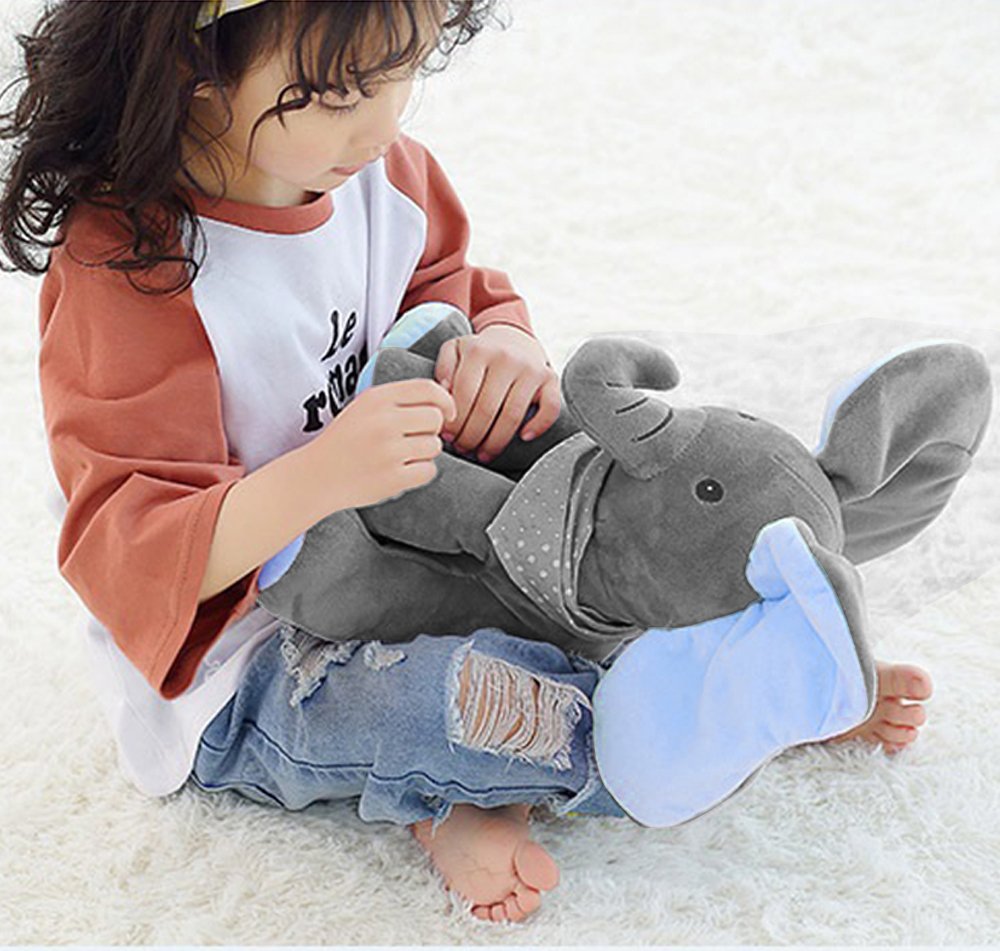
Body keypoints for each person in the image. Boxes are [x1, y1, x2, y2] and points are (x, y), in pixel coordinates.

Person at [0, 0, 932, 925]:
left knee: (616, 534)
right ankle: (728, 709)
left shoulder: (382, 176)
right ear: (190, 67)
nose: (381, 123)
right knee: (464, 703)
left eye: (403, 70)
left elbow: (454, 289)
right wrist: (322, 475)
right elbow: (128, 548)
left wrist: (502, 348)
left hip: (429, 547)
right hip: (247, 663)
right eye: (339, 93)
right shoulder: (134, 269)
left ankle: (760, 664)